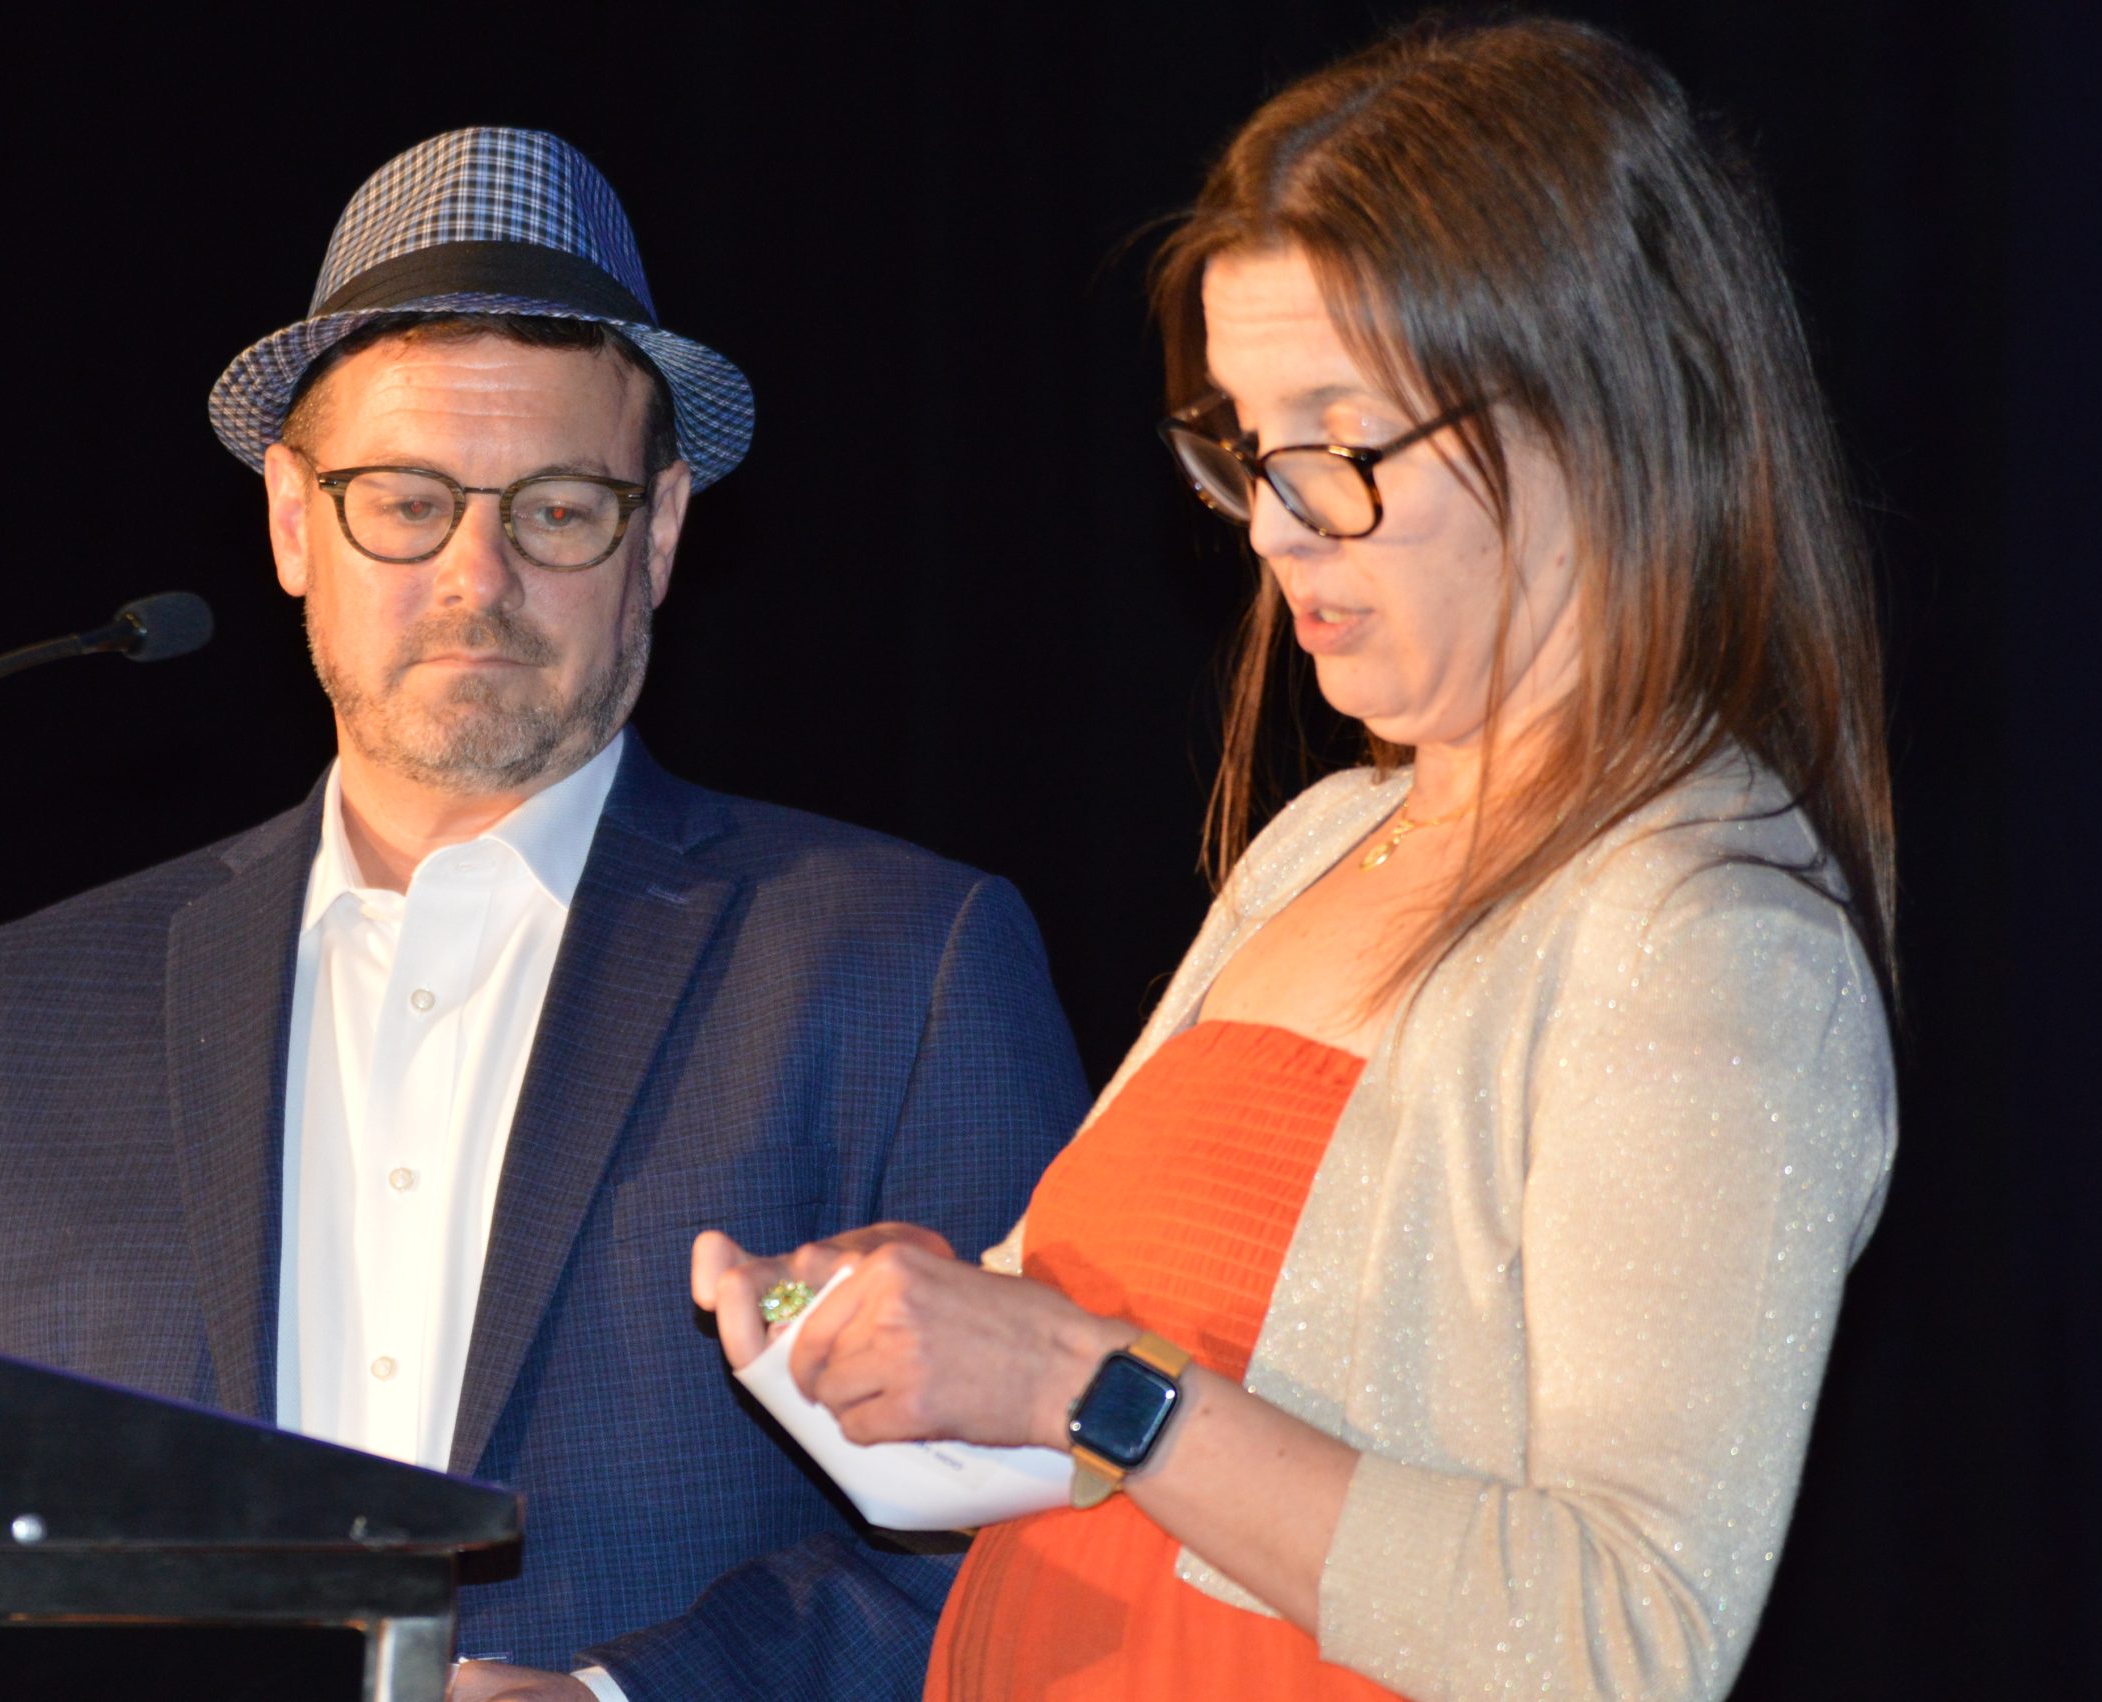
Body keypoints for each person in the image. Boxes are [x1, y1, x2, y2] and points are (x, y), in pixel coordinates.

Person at [695, 18, 1897, 1701]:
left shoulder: (1699, 931)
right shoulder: (1321, 844)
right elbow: (1102, 1425)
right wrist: (919, 1326)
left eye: (1337, 442)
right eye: (1248, 448)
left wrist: (1087, 1381)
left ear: (1598, 414)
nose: (1269, 522)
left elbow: (1624, 1636)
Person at [0, 128, 1089, 1701]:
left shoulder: (899, 962)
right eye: (406, 501)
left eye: (558, 508)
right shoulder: (29, 1008)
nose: (477, 575)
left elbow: (1038, 1533)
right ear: (292, 521)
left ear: (658, 532)